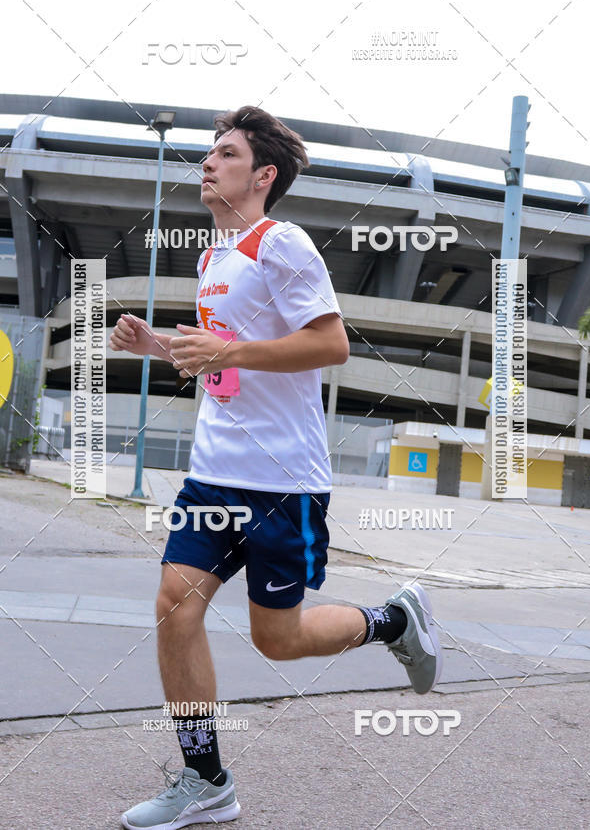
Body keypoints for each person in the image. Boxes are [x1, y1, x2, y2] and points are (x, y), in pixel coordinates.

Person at [110, 106, 442, 828]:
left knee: (278, 639)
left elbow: (329, 346)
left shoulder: (280, 245)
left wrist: (224, 352)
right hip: (213, 472)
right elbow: (226, 356)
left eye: (224, 154)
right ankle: (206, 780)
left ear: (263, 175)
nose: (207, 163)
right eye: (207, 152)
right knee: (174, 605)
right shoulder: (210, 259)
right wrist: (159, 349)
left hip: (281, 480)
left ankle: (393, 621)